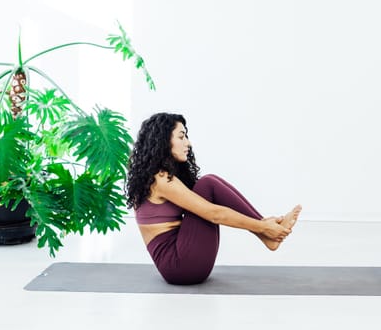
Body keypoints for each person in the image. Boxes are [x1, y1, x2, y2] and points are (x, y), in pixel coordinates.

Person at [126, 112, 302, 285]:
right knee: (208, 183)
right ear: (163, 141)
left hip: (183, 264)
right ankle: (265, 231)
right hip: (180, 267)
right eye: (181, 137)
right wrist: (262, 226)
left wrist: (262, 226)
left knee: (209, 183)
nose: (188, 143)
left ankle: (265, 233)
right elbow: (214, 214)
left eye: (186, 136)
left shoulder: (157, 176)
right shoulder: (160, 179)